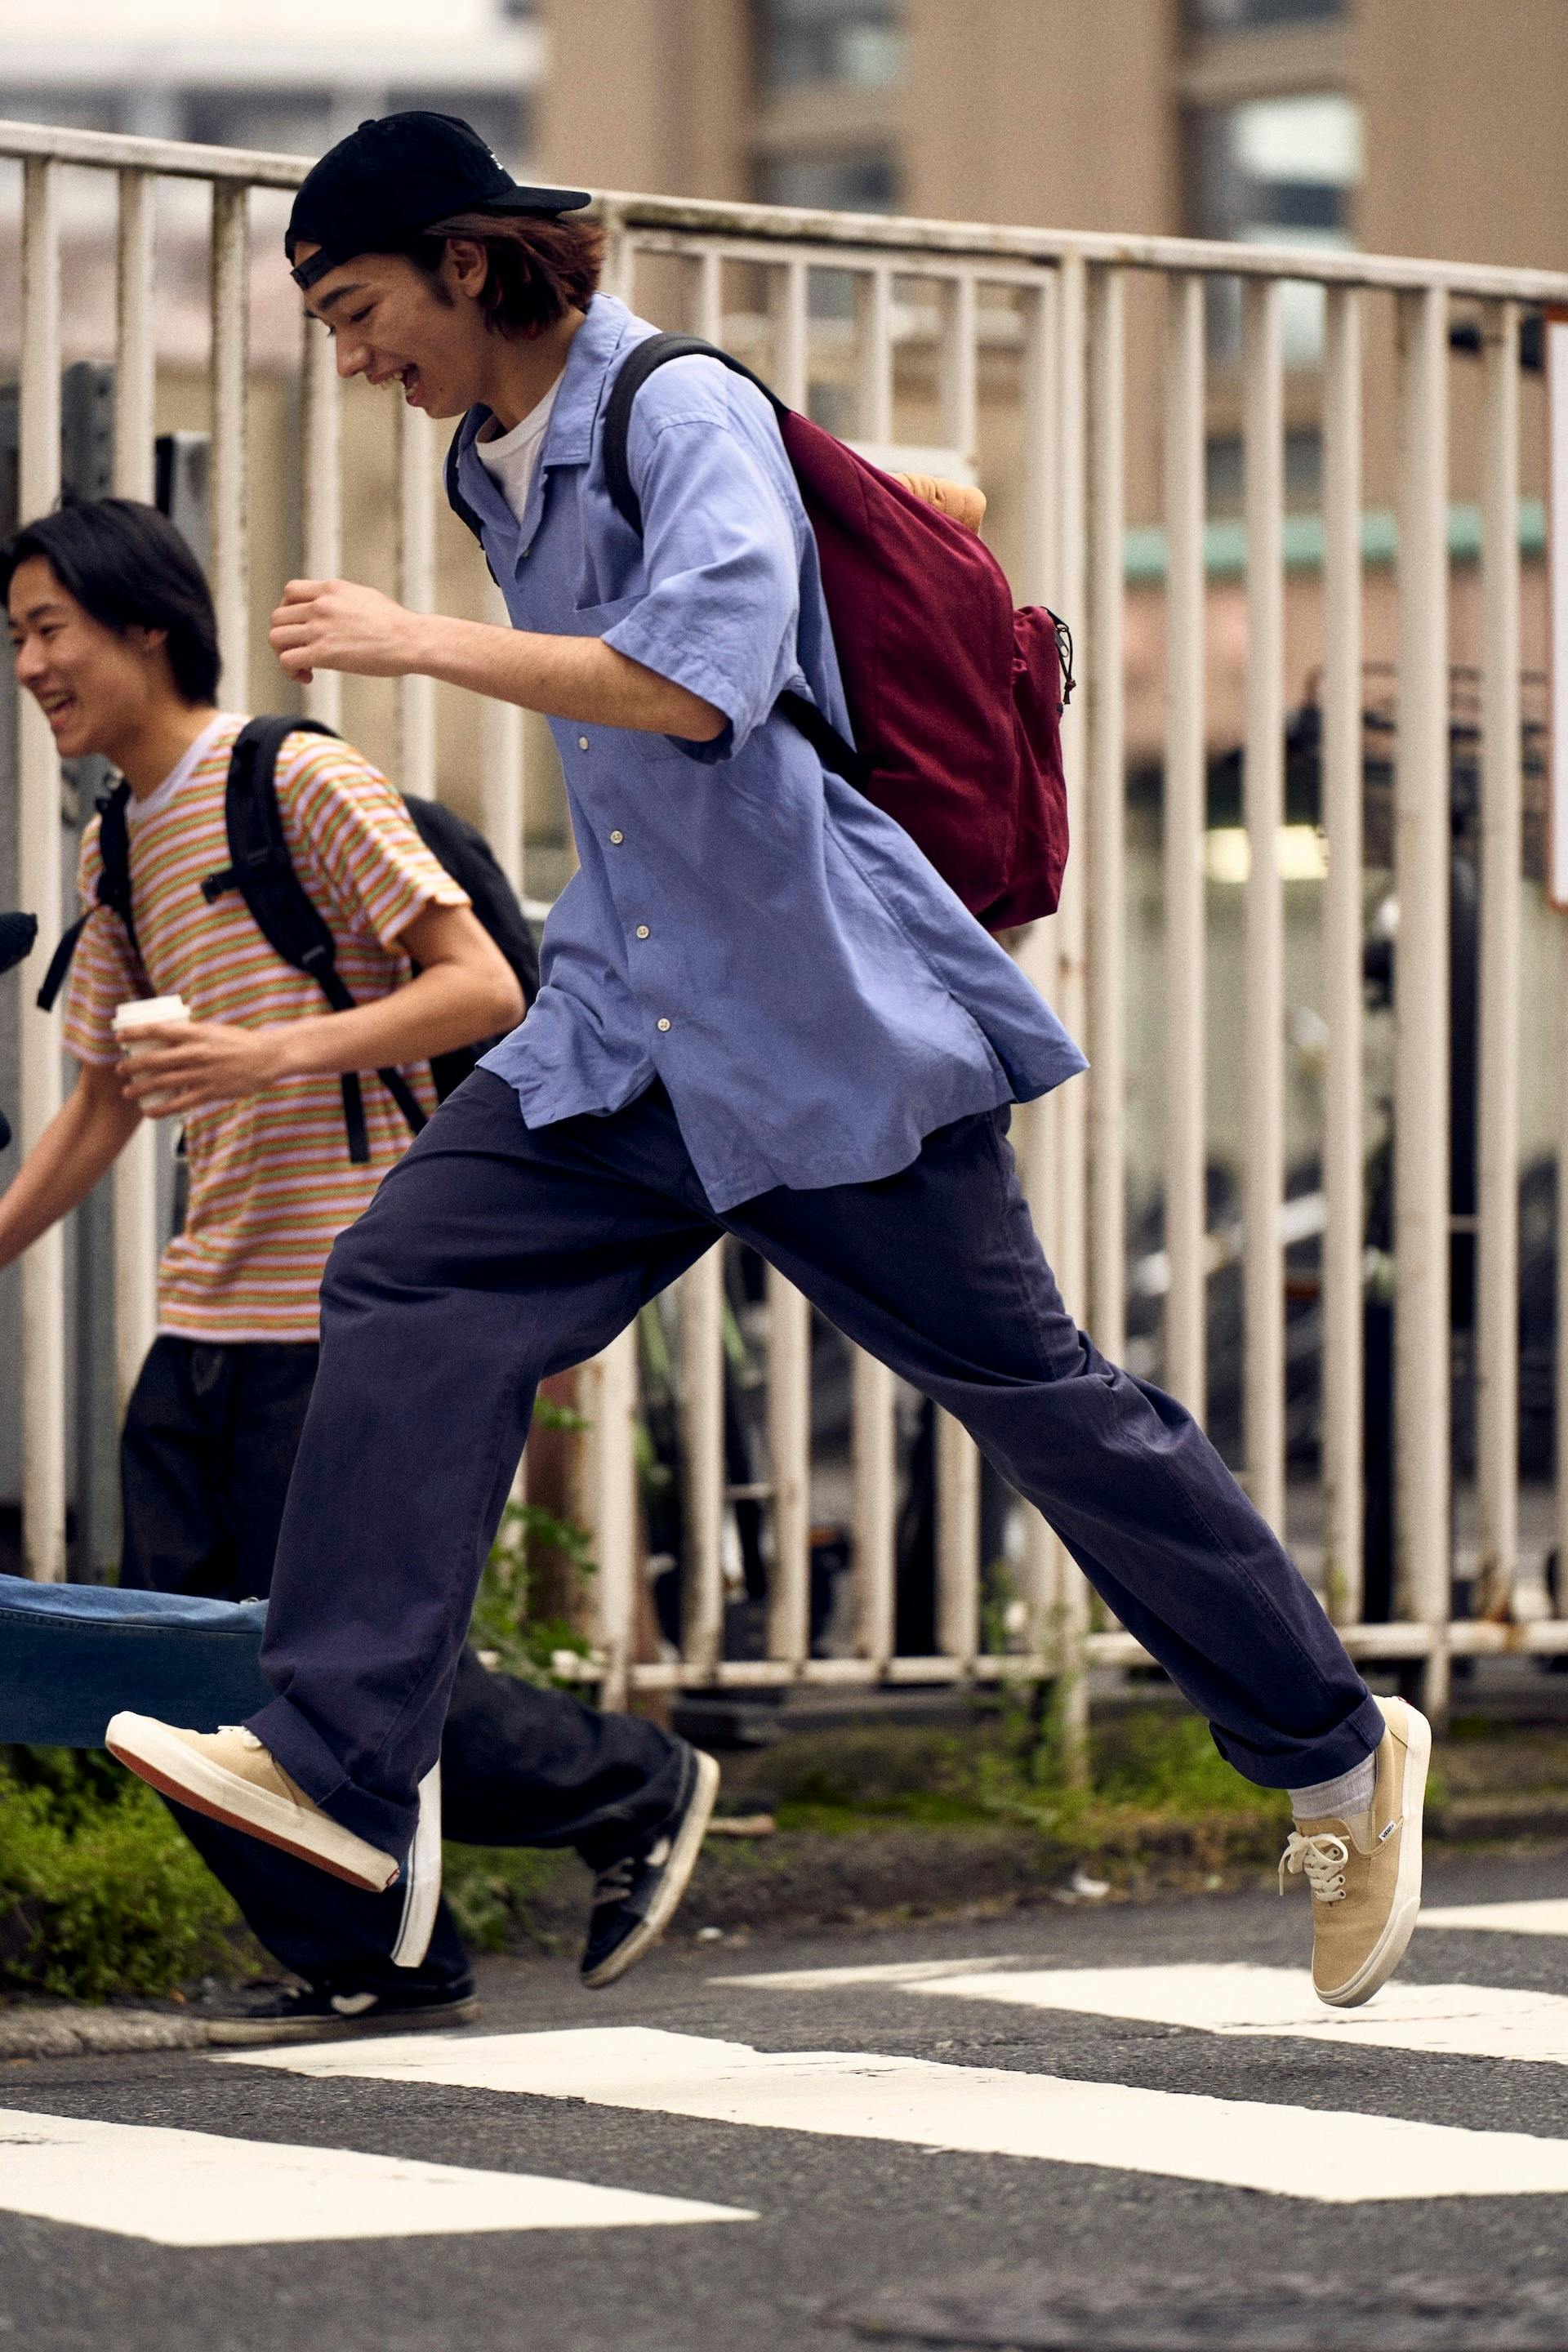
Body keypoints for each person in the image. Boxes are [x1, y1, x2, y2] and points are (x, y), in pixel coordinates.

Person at [108, 109, 1428, 2015]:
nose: (351, 354)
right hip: (628, 1041)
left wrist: (418, 647)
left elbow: (705, 682)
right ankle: (336, 1768)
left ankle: (1329, 1747)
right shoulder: (506, 458)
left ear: (466, 264)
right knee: (408, 1275)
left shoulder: (669, 406)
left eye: (356, 305)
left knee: (1043, 1400)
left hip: (822, 1038)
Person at [1, 498, 716, 2035]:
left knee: (326, 1665)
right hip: (210, 1315)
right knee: (165, 1687)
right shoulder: (117, 839)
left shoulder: (298, 778)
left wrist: (273, 1051)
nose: (32, 664)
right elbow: (106, 1101)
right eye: (15, 640)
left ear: (147, 623)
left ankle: (631, 1784)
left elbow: (482, 986)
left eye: (50, 627)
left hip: (353, 1303)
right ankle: (373, 1954)